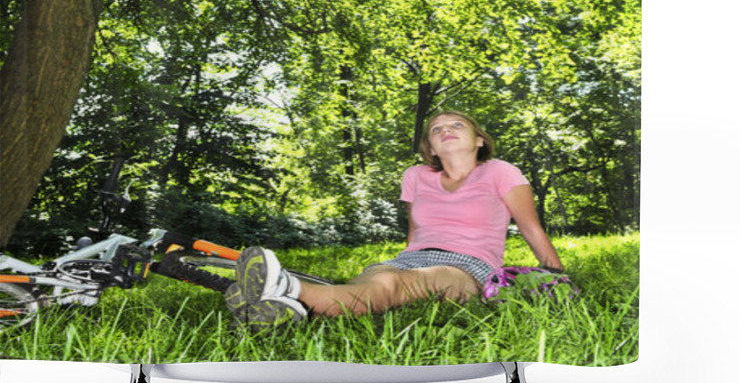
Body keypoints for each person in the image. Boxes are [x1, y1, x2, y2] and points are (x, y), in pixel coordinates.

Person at [225, 111, 564, 328]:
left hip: (466, 266)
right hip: (409, 258)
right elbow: (416, 232)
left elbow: (531, 229)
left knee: (390, 288)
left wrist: (558, 278)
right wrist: (402, 262)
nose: (446, 130)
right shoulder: (416, 176)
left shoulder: (500, 172)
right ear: (430, 148)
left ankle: (288, 290)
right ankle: (284, 310)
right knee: (373, 285)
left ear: (478, 140)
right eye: (437, 129)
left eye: (456, 125)